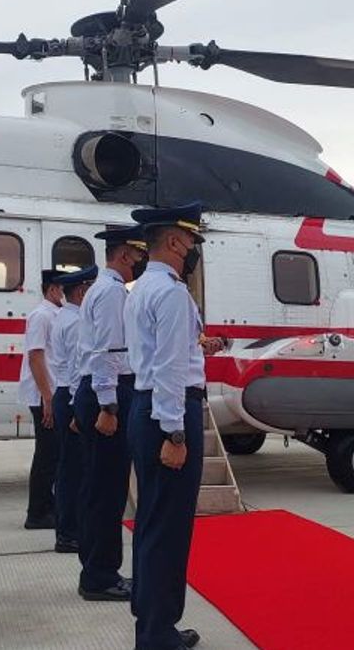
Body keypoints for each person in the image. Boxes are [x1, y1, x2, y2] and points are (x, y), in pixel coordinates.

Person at [126, 203, 212, 650]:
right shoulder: (174, 293)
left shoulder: (140, 288)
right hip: (168, 413)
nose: (195, 248)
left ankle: (150, 621)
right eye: (192, 240)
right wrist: (176, 433)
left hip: (146, 409)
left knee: (152, 523)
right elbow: (171, 369)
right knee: (169, 528)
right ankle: (158, 634)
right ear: (176, 241)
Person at [73, 225, 147, 602]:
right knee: (108, 490)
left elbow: (86, 353)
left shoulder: (97, 291)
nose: (138, 262)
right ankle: (101, 576)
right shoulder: (113, 293)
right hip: (109, 392)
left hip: (97, 390)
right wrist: (108, 405)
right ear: (123, 255)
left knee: (96, 486)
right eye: (136, 255)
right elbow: (107, 352)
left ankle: (94, 567)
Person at [47, 266, 98, 553]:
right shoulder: (77, 322)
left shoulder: (62, 317)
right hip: (71, 395)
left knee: (68, 467)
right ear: (81, 291)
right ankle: (70, 533)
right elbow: (81, 366)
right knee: (75, 469)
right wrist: (80, 409)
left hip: (63, 393)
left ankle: (68, 530)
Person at [21, 270, 64, 530]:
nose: (66, 294)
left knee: (54, 453)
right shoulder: (41, 315)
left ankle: (48, 506)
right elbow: (36, 357)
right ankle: (36, 513)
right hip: (43, 395)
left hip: (49, 393)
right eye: (62, 288)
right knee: (47, 454)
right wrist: (47, 398)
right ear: (51, 290)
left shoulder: (53, 314)